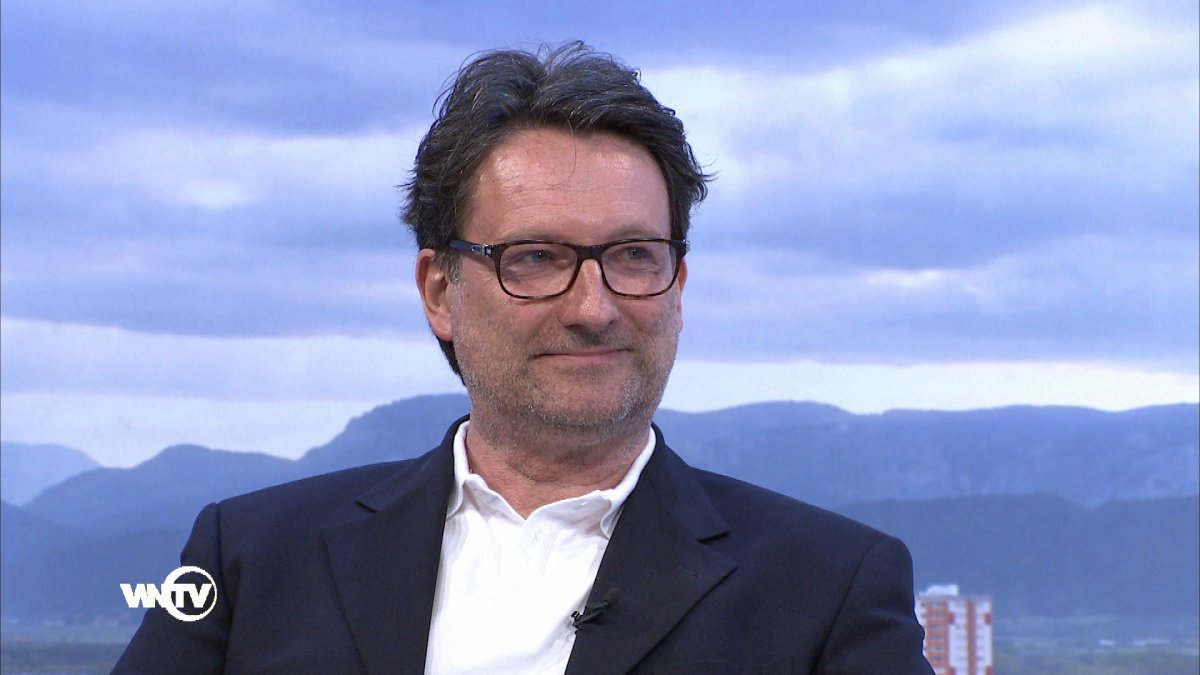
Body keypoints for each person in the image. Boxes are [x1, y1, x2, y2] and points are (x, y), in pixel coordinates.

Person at [114, 42, 933, 674]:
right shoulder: (250, 557)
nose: (594, 307)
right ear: (440, 289)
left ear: (679, 286)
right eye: (536, 258)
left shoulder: (829, 588)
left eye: (634, 256)